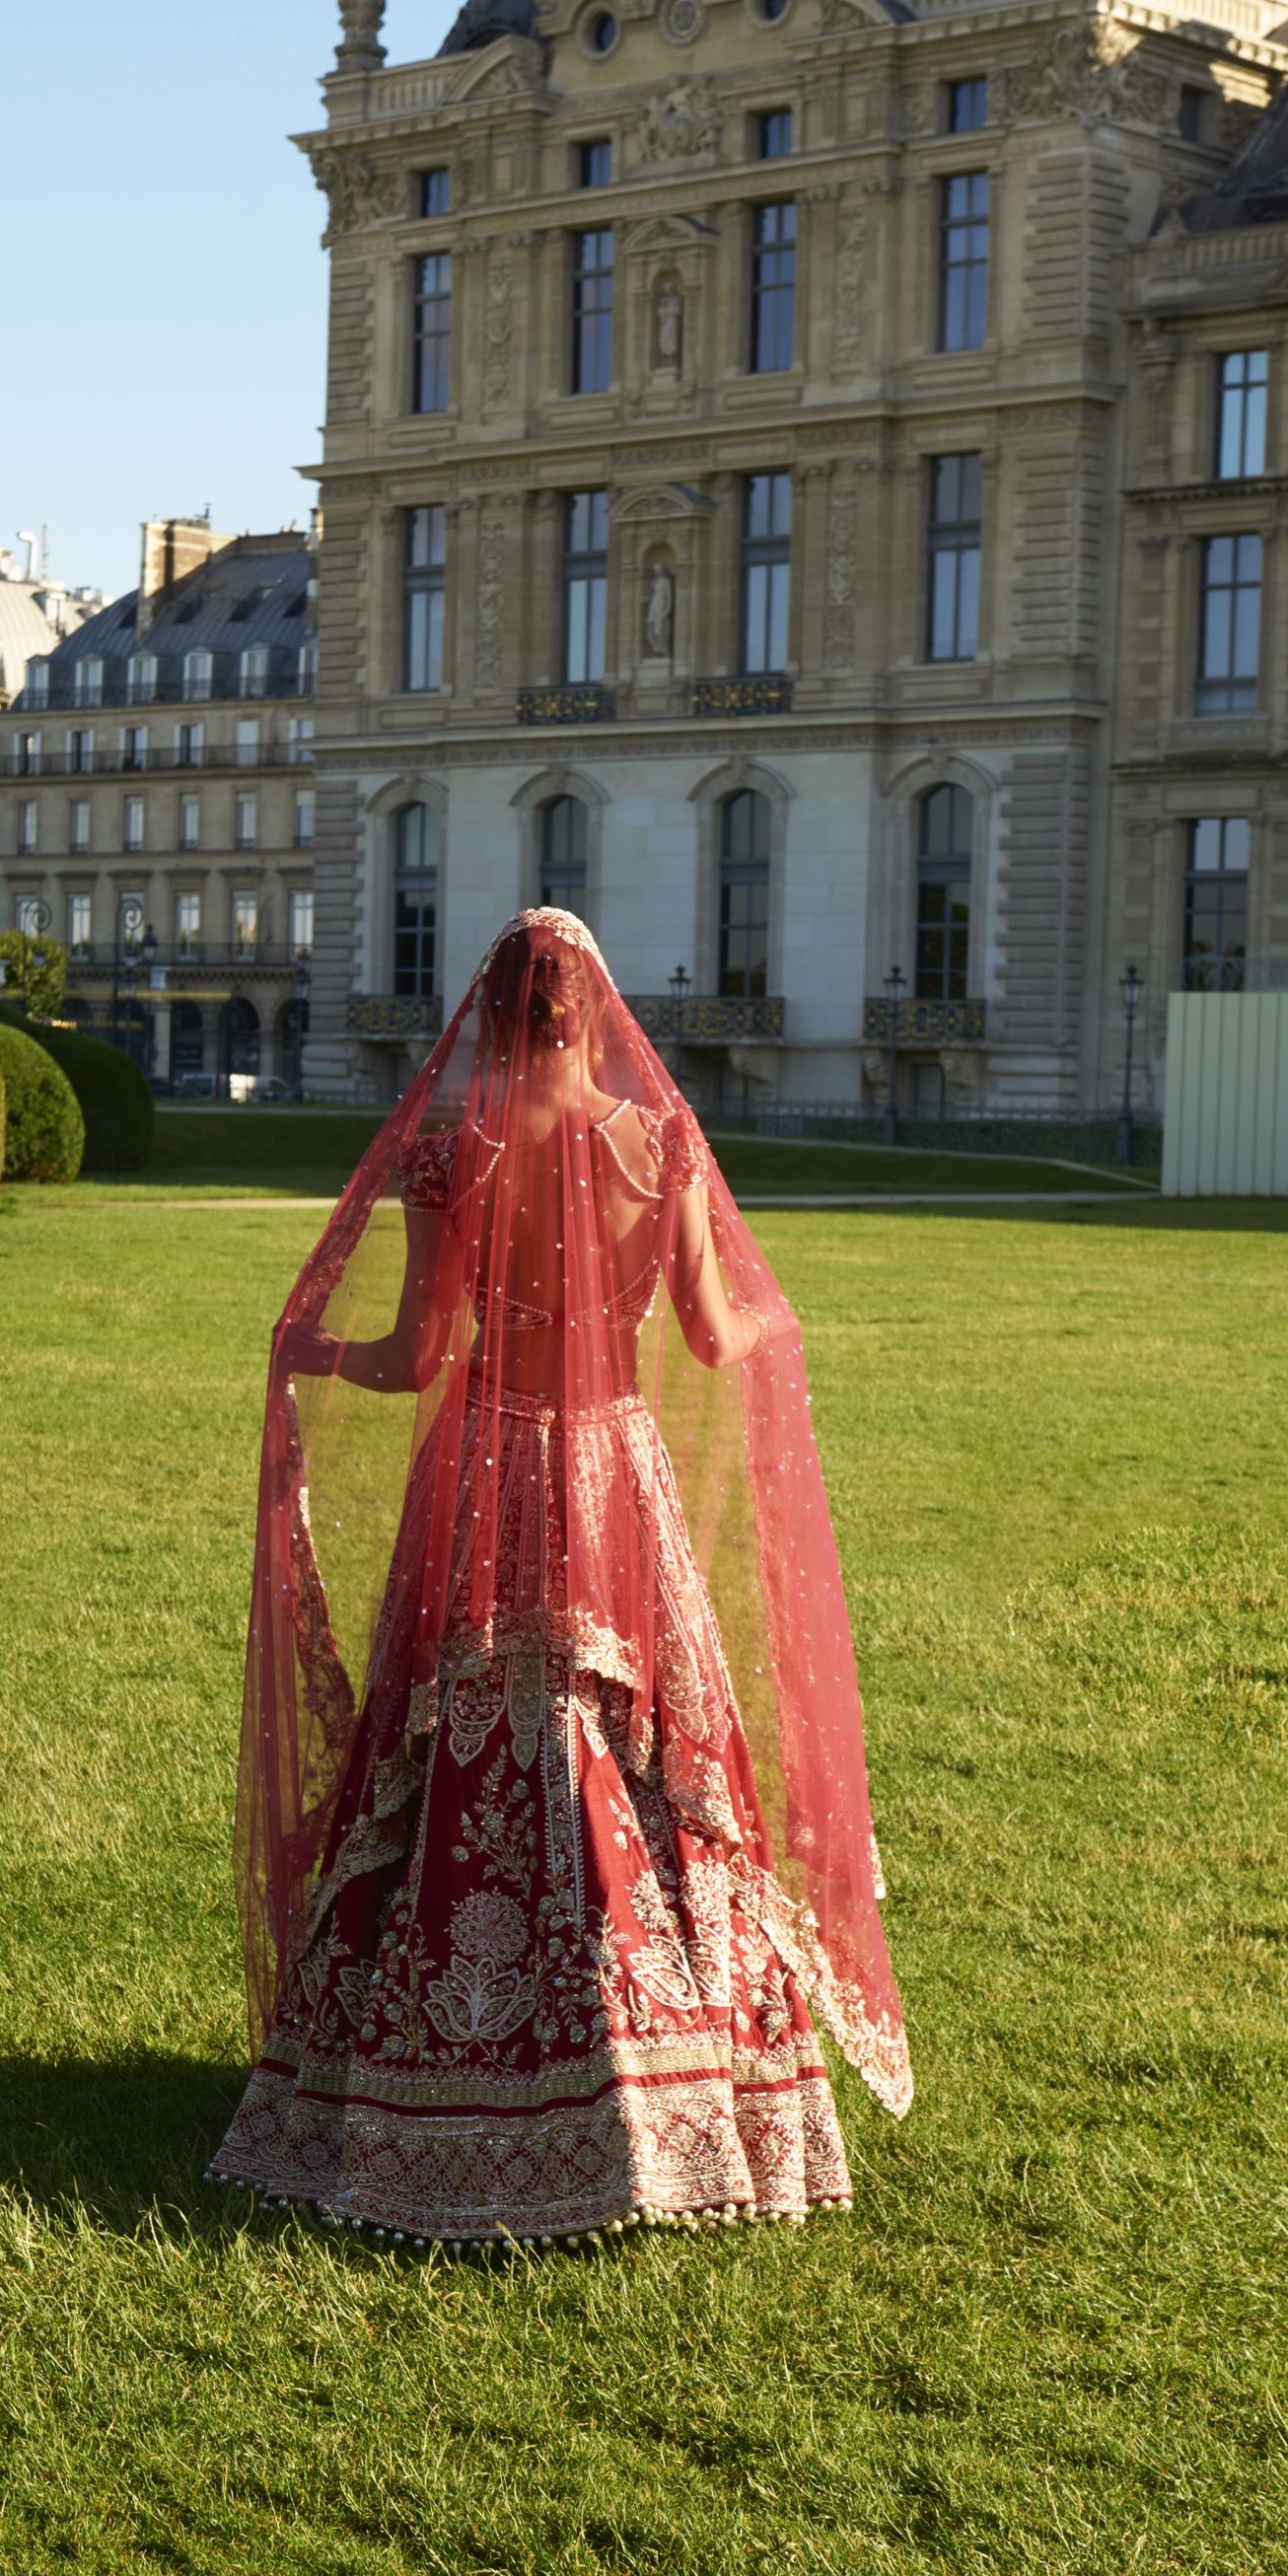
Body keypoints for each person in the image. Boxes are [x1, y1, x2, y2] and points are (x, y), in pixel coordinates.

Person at [211, 908, 911, 2247]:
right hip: (617, 1481)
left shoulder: (451, 1145)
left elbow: (422, 1356)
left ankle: (430, 2069)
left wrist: (315, 1350)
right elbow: (715, 1334)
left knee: (463, 1749)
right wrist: (782, 1312)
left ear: (490, 1006)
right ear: (593, 1008)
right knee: (642, 1758)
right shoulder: (661, 1143)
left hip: (486, 1471)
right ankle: (678, 2075)